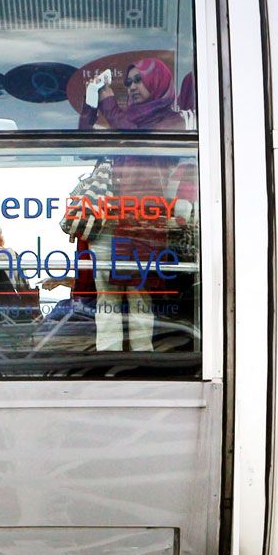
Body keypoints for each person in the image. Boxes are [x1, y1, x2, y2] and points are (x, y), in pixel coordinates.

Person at [78, 57, 188, 352]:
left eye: (139, 80)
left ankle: (142, 359)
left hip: (143, 219)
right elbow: (84, 148)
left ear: (157, 82)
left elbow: (135, 136)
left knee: (140, 294)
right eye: (128, 82)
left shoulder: (171, 120)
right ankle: (108, 358)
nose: (131, 87)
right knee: (108, 295)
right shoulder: (122, 117)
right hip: (109, 219)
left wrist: (109, 104)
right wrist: (91, 106)